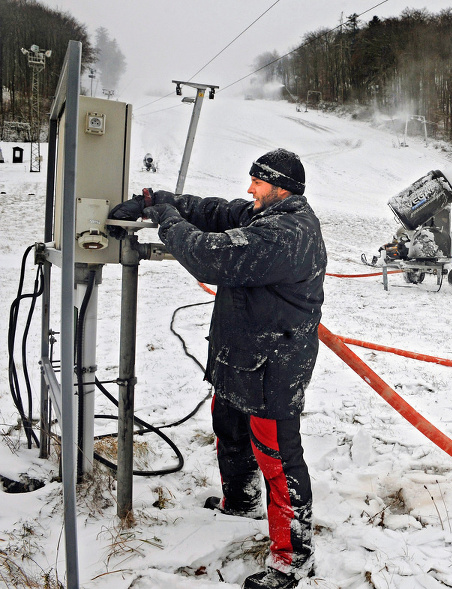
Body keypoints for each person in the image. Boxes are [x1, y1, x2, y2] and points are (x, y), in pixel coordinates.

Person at [109, 148, 327, 589]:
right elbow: (216, 212)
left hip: (273, 366)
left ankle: (293, 558)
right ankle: (241, 499)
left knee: (278, 457)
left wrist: (166, 219)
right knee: (228, 426)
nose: (250, 190)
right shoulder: (263, 216)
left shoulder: (286, 232)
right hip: (242, 356)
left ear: (281, 188)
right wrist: (156, 198)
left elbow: (209, 254)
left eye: (258, 183)